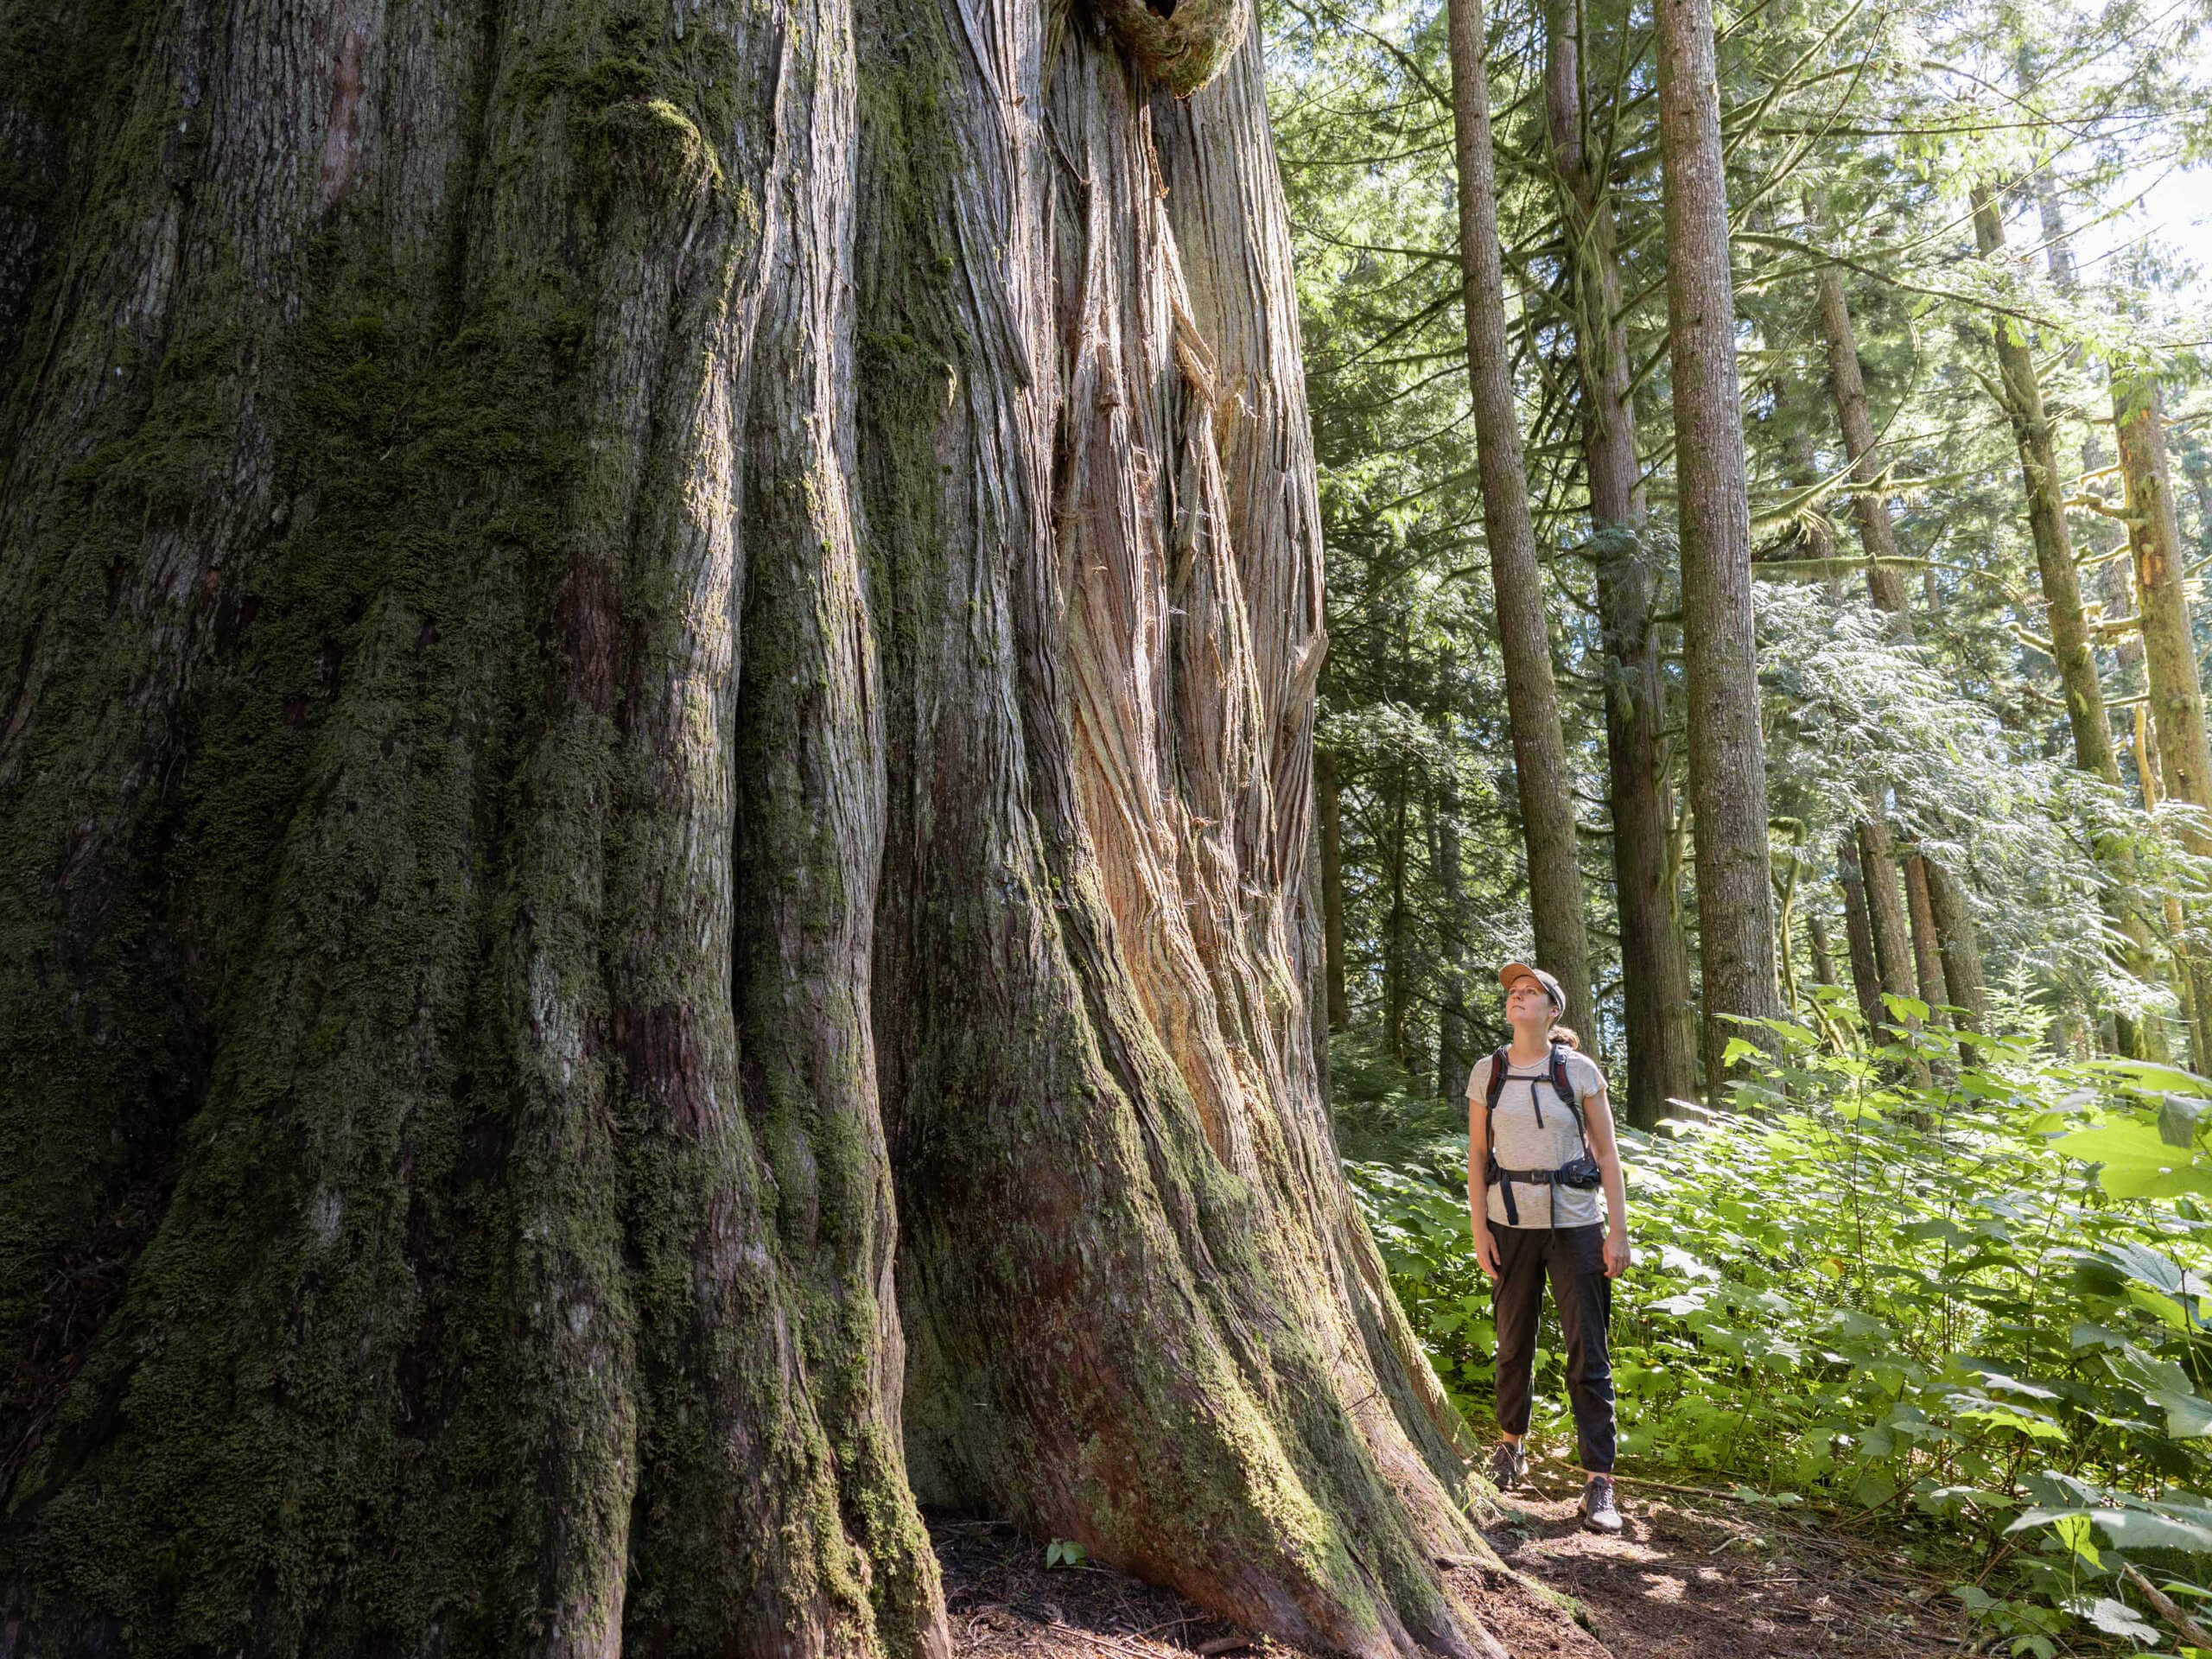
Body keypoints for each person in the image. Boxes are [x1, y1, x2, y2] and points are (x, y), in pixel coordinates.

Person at [1466, 963, 1632, 1534]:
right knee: (1513, 1343)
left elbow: (1608, 1156)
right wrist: (1479, 1229)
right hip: (1508, 1224)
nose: (1518, 996)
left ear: (1552, 1009)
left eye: (1531, 991)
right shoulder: (1488, 1071)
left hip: (1577, 1227)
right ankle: (1511, 1447)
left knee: (1589, 1352)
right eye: (1514, 991)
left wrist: (1619, 1230)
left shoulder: (1579, 1071)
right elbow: (1476, 1156)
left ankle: (1599, 1482)